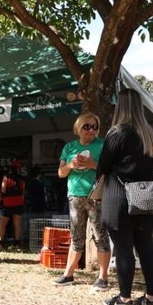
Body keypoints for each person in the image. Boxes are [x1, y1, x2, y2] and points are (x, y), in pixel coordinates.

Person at [97, 88, 153, 305]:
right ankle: (152, 299)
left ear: (120, 106)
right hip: (145, 198)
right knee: (146, 248)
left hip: (120, 197)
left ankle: (124, 300)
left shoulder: (117, 133)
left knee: (124, 249)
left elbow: (102, 166)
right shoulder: (149, 133)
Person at [52, 113, 111, 289]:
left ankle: (103, 278)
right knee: (76, 237)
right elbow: (60, 173)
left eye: (95, 127)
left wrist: (93, 164)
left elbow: (111, 170)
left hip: (97, 195)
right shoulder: (69, 147)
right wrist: (71, 165)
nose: (91, 130)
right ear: (78, 127)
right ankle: (68, 275)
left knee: (100, 236)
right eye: (87, 126)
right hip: (75, 195)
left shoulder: (103, 145)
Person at [0, 159, 25, 251]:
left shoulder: (6, 177)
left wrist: (0, 200)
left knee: (2, 224)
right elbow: (23, 193)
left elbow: (3, 190)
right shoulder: (22, 179)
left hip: (8, 202)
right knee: (17, 223)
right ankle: (16, 244)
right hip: (18, 202)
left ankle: (0, 244)